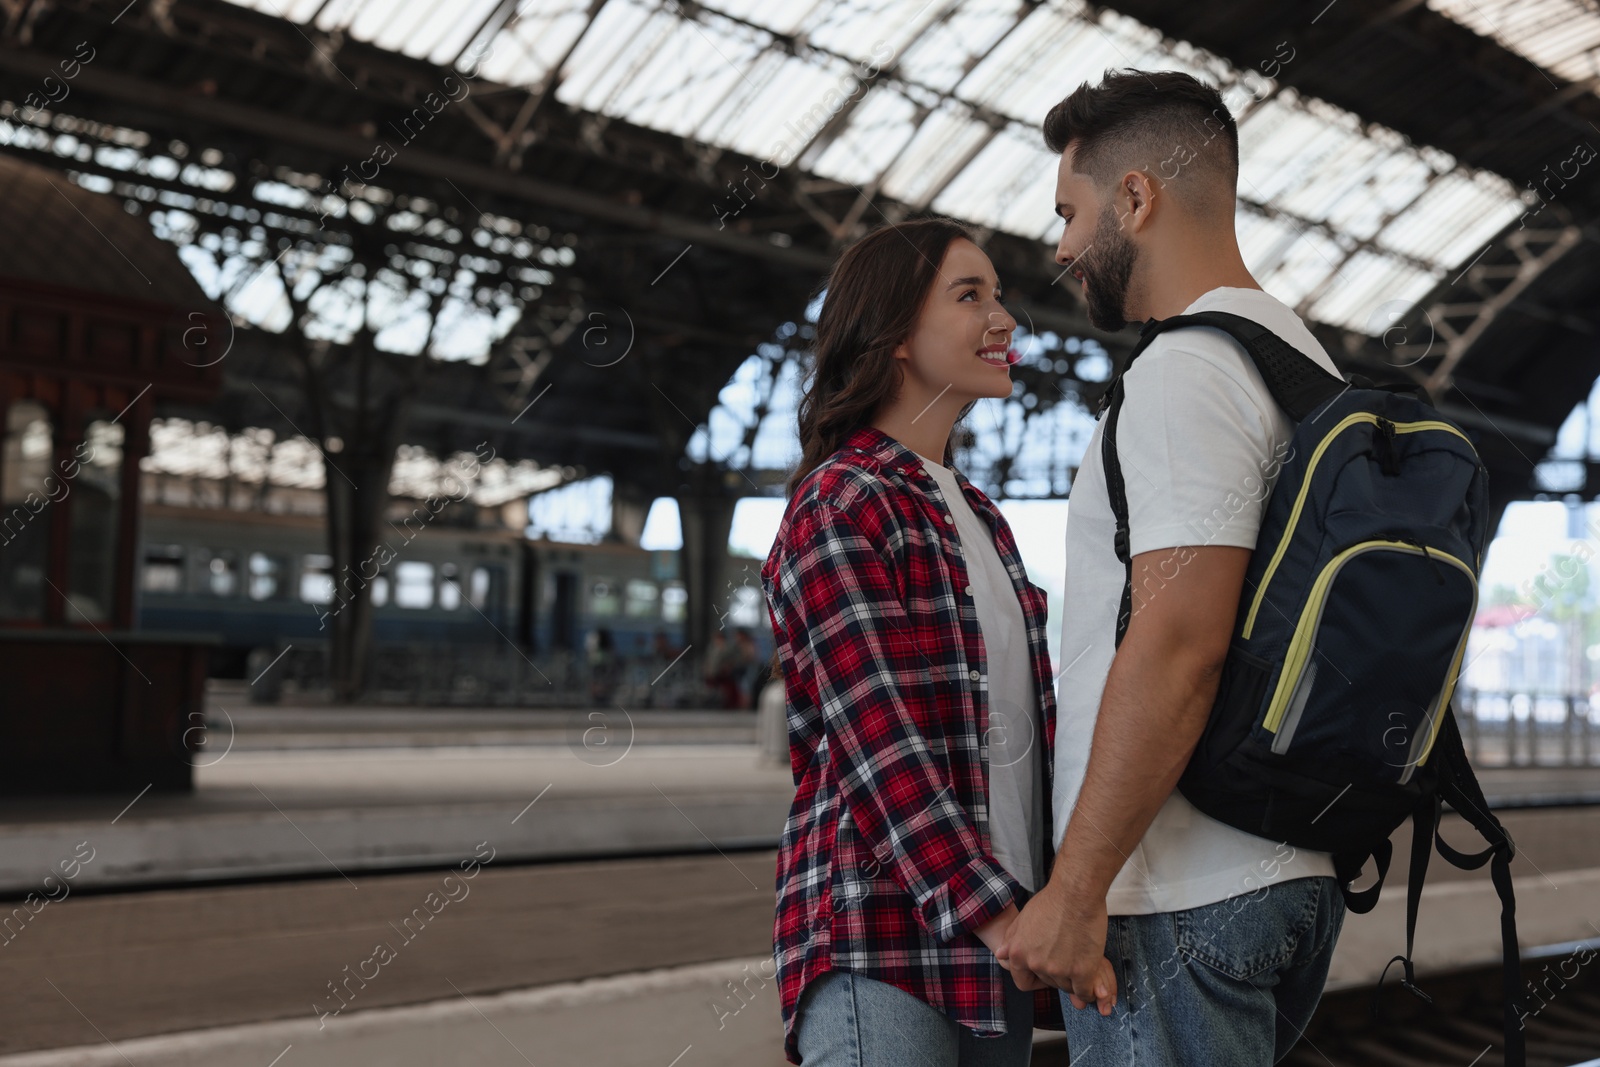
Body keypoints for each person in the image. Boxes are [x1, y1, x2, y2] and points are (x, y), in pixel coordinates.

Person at [997, 70, 1346, 1066]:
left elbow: (1180, 640)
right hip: (1282, 867)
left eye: (1069, 211)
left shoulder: (1184, 371)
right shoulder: (1296, 360)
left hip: (1178, 885)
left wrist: (1078, 885)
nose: (1061, 245)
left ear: (1135, 197)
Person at [760, 218, 1066, 1066]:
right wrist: (1003, 915)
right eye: (971, 296)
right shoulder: (842, 501)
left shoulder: (981, 518)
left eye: (1000, 296)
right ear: (894, 335)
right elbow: (878, 744)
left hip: (992, 944)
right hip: (883, 936)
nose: (1004, 320)